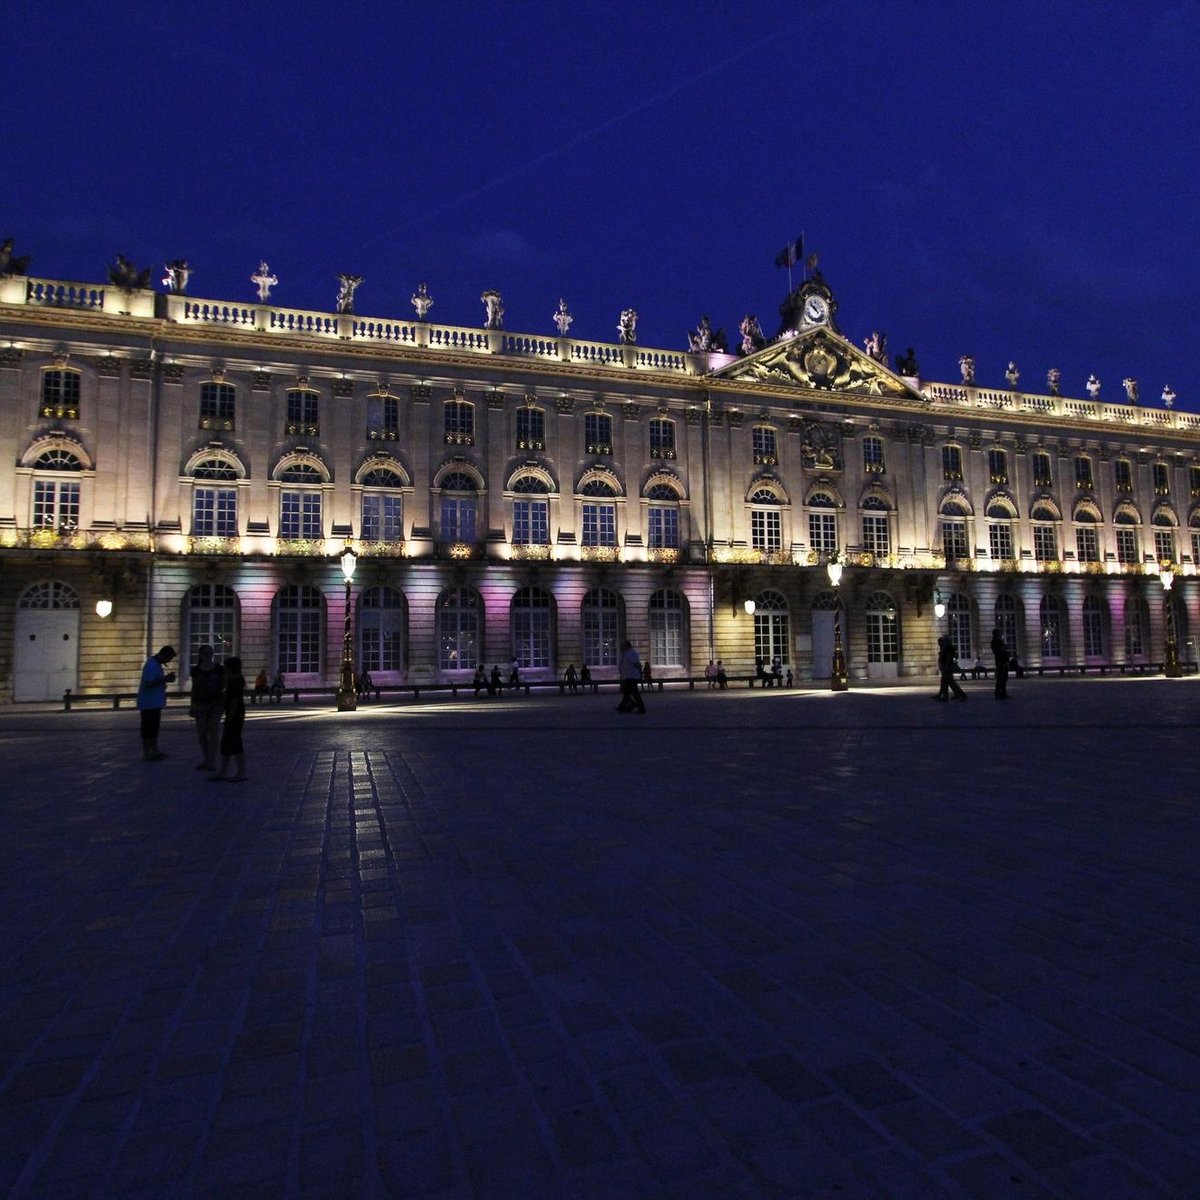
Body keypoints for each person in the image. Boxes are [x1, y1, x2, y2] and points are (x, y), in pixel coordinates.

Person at [137, 645, 177, 761]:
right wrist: (165, 679)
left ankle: (154, 750)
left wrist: (165, 679)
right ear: (164, 654)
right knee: (148, 728)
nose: (168, 661)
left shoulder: (156, 664)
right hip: (149, 702)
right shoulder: (151, 664)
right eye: (169, 658)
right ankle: (146, 752)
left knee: (153, 728)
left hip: (154, 702)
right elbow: (149, 683)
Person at [189, 644, 226, 771]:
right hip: (200, 704)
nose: (208, 655)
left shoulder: (219, 669)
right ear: (201, 655)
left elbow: (223, 686)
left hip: (215, 704)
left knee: (213, 732)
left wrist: (223, 703)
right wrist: (192, 705)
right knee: (201, 733)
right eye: (206, 653)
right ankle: (207, 758)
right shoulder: (196, 670)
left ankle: (211, 760)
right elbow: (194, 689)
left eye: (210, 653)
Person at [212, 656, 247, 782]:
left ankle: (241, 771)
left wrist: (229, 717)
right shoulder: (236, 679)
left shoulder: (235, 681)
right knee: (226, 743)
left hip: (234, 715)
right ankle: (223, 771)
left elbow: (234, 700)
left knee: (235, 742)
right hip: (235, 713)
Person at [616, 640, 646, 713]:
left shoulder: (630, 653)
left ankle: (641, 708)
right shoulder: (626, 653)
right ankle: (622, 707)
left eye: (622, 645)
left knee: (634, 693)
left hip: (631, 676)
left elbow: (637, 664)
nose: (621, 647)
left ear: (627, 646)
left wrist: (640, 673)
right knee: (627, 693)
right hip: (628, 676)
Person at [935, 635, 967, 701]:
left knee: (951, 682)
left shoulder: (948, 647)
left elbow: (949, 657)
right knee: (945, 682)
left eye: (944, 640)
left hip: (947, 667)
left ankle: (962, 694)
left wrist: (946, 665)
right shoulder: (946, 647)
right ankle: (945, 697)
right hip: (945, 666)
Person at [991, 625, 1010, 699]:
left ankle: (1002, 693)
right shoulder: (995, 642)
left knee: (1003, 678)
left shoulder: (997, 641)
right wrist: (1004, 647)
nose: (1000, 635)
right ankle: (999, 693)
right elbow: (998, 651)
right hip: (1001, 661)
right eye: (999, 633)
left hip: (1002, 661)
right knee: (1001, 678)